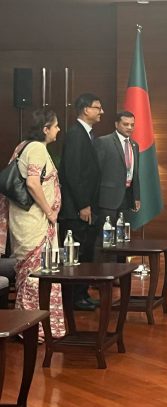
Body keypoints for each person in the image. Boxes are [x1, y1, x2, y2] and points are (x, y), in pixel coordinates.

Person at [0, 109, 65, 339]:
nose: (58, 130)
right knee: (36, 277)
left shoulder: (23, 146)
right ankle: (33, 330)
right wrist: (50, 212)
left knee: (34, 275)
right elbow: (33, 184)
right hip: (34, 222)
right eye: (55, 126)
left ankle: (34, 328)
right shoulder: (36, 148)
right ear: (45, 129)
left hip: (29, 220)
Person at [58, 93, 102, 310]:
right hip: (76, 209)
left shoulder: (87, 134)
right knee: (75, 255)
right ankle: (74, 298)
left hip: (86, 207)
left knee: (85, 253)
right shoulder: (76, 134)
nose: (101, 112)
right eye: (97, 108)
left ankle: (82, 294)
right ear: (86, 109)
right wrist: (83, 204)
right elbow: (73, 173)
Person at [94, 111, 140, 226]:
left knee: (122, 234)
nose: (129, 127)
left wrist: (136, 197)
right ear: (116, 124)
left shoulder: (135, 145)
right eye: (125, 124)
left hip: (127, 198)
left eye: (132, 125)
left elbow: (134, 173)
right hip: (107, 200)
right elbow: (95, 172)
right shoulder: (104, 142)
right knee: (106, 234)